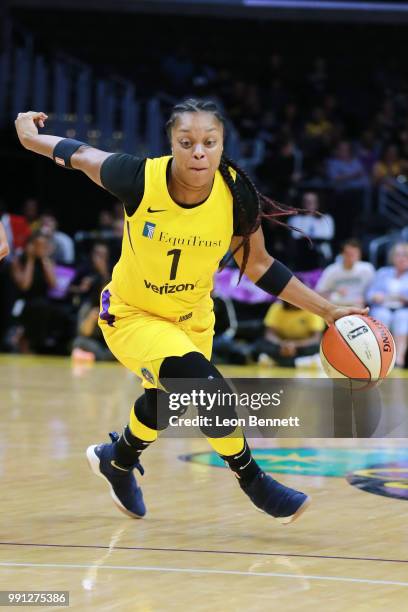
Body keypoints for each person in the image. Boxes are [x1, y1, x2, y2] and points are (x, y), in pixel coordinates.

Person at [15, 100, 368, 524]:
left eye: (208, 142)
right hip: (134, 314)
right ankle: (253, 480)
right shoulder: (138, 177)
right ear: (171, 145)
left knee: (165, 403)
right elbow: (81, 154)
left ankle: (117, 459)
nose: (198, 151)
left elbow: (257, 265)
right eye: (187, 142)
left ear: (221, 147)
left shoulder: (236, 191)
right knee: (207, 389)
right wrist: (29, 135)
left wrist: (329, 311)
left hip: (192, 318)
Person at [366, 242, 408, 368]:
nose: (402, 258)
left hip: (403, 308)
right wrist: (375, 296)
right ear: (393, 257)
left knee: (402, 318)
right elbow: (369, 294)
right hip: (382, 307)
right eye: (399, 255)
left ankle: (399, 359)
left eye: (405, 255)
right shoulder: (383, 272)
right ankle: (380, 358)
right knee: (382, 317)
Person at [252, 301, 325, 368]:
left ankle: (276, 361)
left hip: (302, 345)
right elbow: (269, 334)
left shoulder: (312, 309)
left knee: (320, 347)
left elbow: (316, 338)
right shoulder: (276, 307)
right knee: (260, 344)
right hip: (281, 345)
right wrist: (282, 344)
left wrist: (294, 344)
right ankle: (300, 363)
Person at [316, 239, 375, 307]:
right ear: (342, 254)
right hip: (337, 307)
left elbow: (375, 291)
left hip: (359, 307)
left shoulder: (367, 269)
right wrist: (334, 292)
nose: (352, 257)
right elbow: (319, 293)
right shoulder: (332, 270)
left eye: (355, 253)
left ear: (359, 254)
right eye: (349, 254)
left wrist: (366, 299)